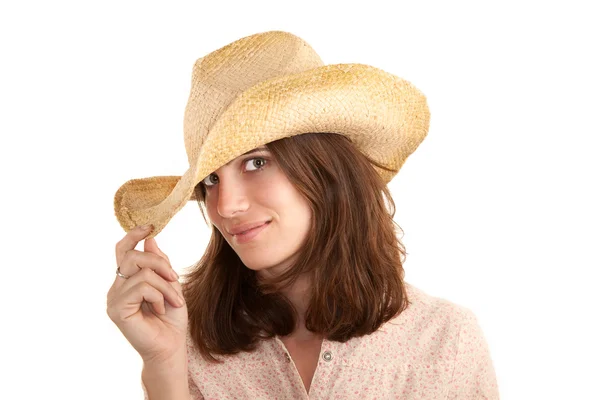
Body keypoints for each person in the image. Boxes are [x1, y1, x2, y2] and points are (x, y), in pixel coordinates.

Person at [107, 31, 499, 399]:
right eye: (210, 179)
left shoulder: (443, 341)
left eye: (256, 162)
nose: (225, 206)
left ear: (325, 169)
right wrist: (162, 365)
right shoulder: (182, 335)